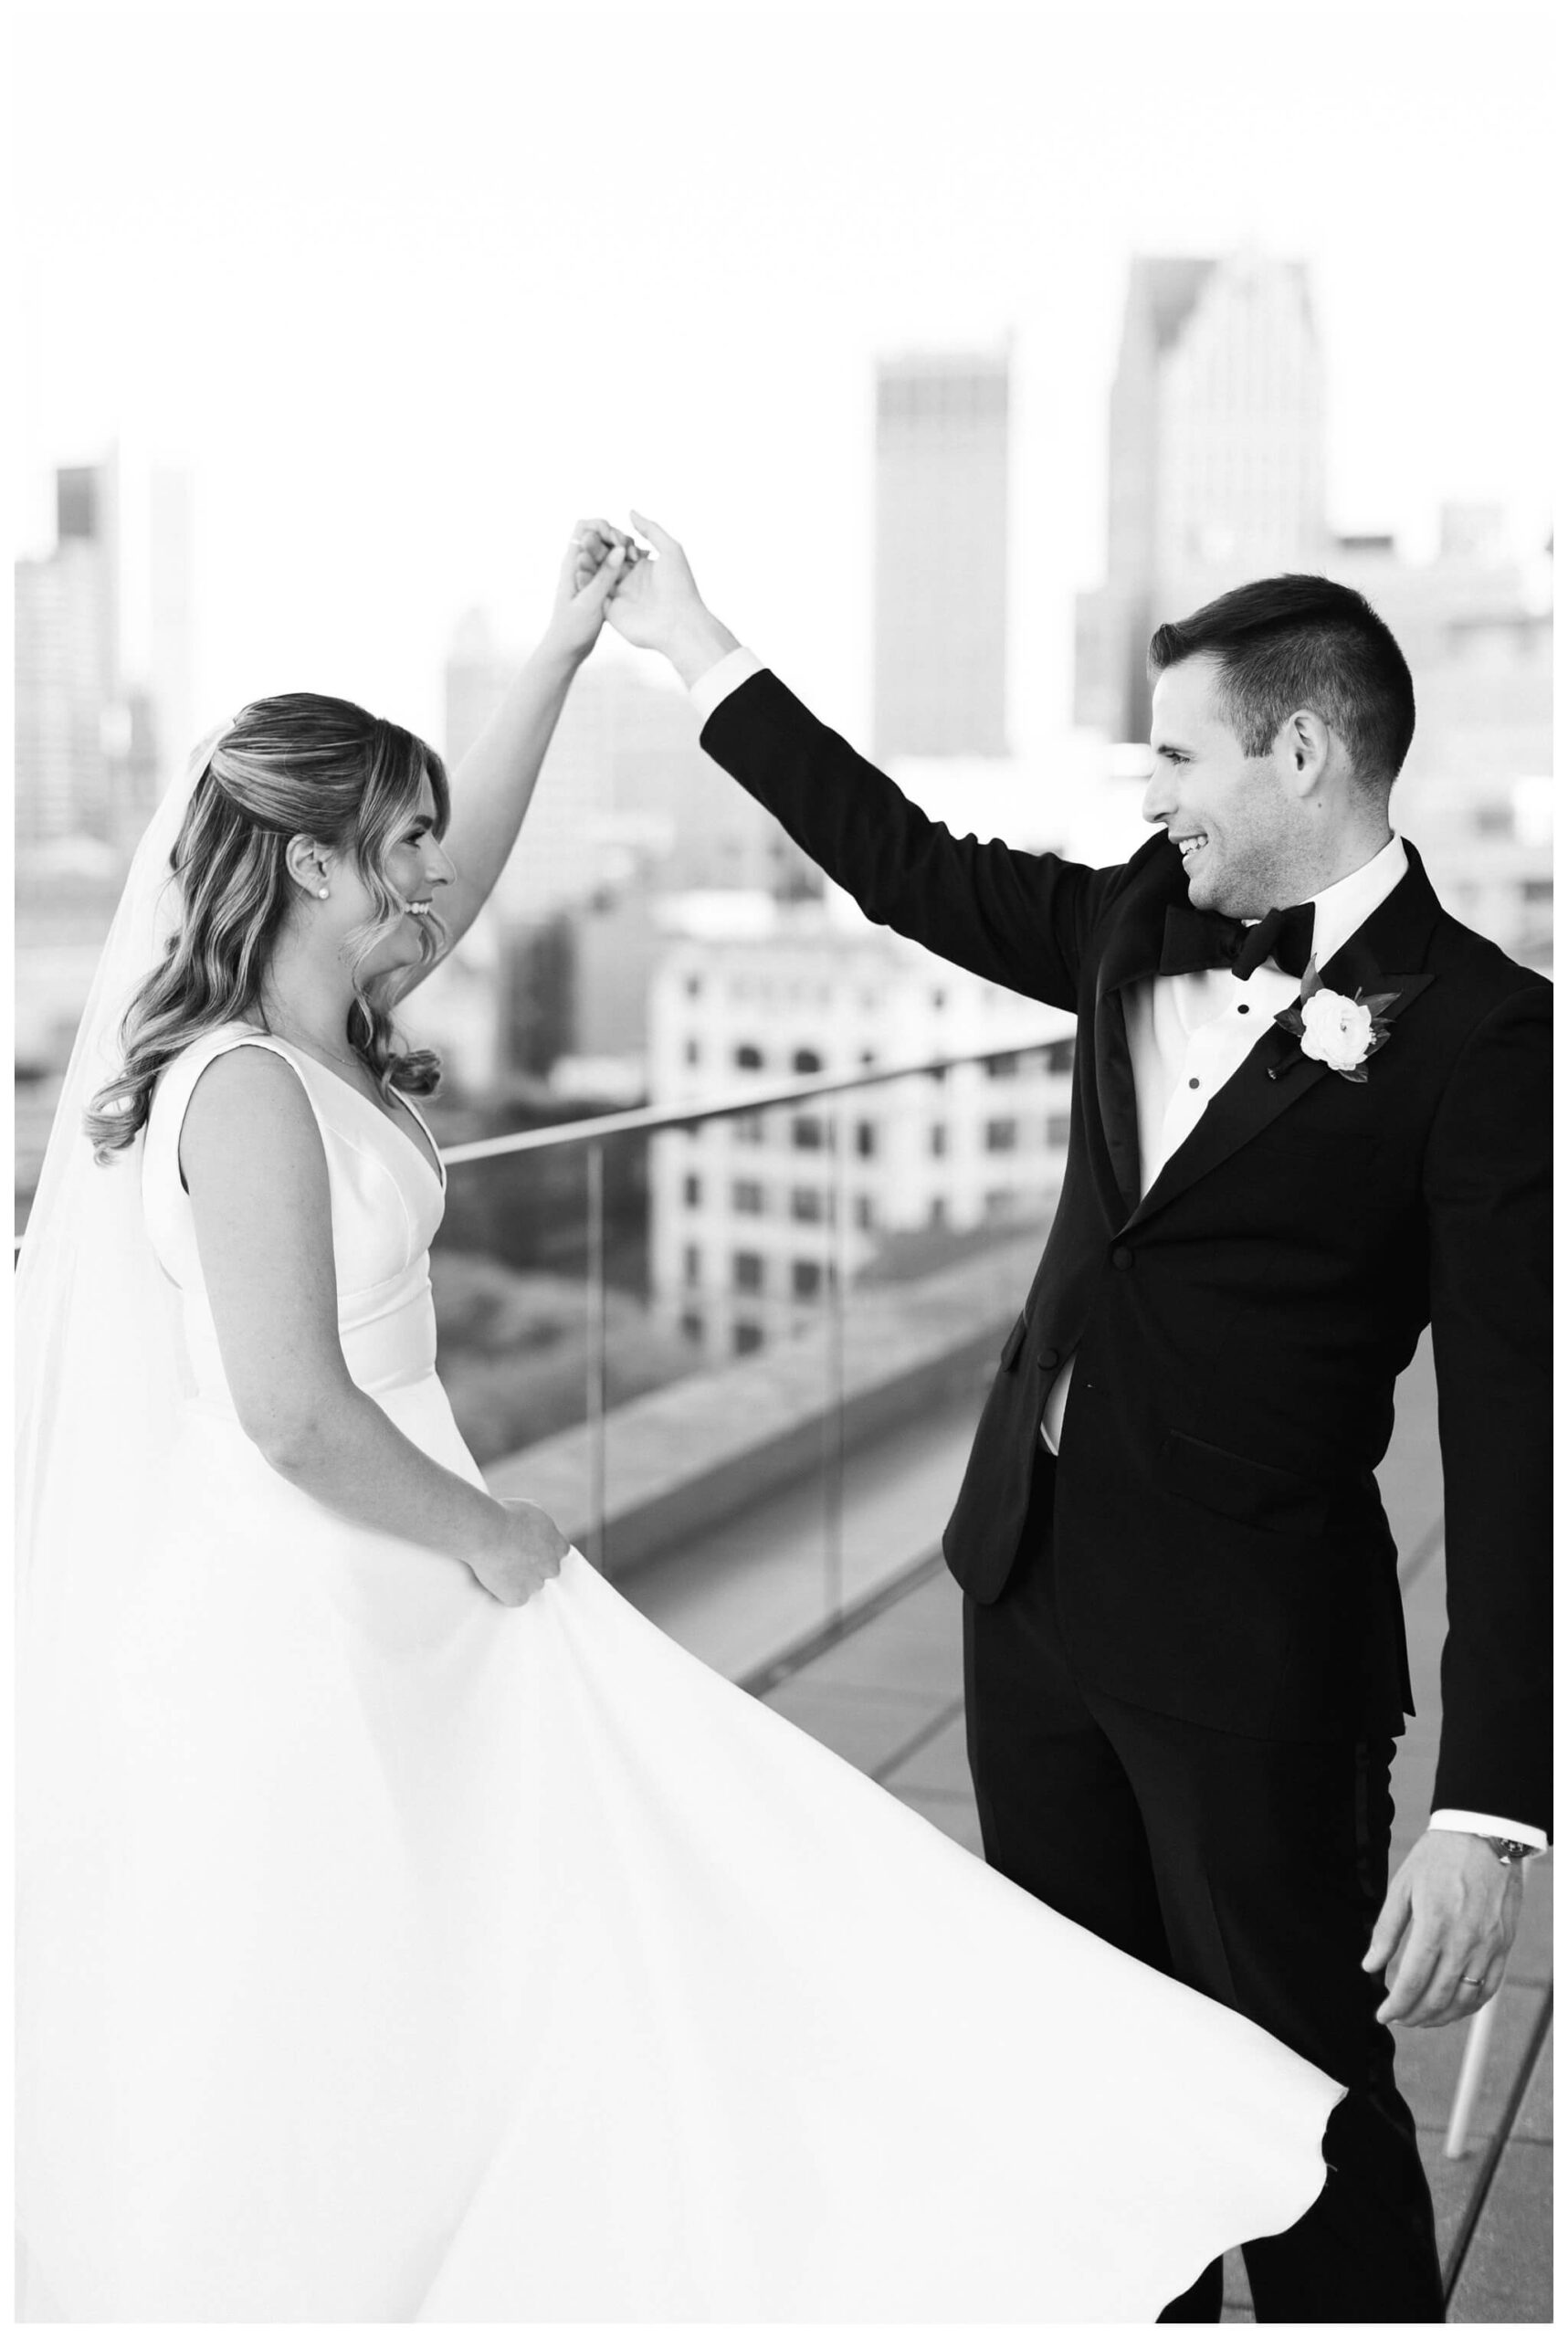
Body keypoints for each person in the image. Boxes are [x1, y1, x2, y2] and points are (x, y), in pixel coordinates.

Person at [14, 523, 1342, 2322]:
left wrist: (569, 646)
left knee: (507, 1951)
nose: (433, 873)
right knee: (348, 2000)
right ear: (309, 861)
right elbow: (293, 1412)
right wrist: (493, 1532)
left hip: (408, 1568)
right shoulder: (241, 1085)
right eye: (395, 841)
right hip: (319, 1602)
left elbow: (469, 876)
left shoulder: (338, 1007)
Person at [604, 521, 1552, 2323]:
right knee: (1084, 2082)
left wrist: (1492, 1808)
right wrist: (699, 643)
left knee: (1301, 2104)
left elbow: (1517, 1441)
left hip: (1254, 1658)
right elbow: (901, 864)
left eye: (1178, 752)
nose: (1153, 788)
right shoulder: (1134, 911)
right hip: (1024, 1596)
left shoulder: (1489, 1039)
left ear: (1301, 751)